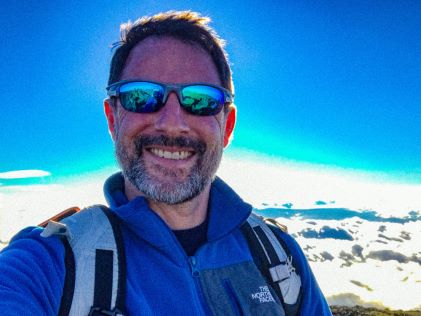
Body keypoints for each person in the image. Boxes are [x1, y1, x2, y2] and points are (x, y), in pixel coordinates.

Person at [0, 11, 331, 315]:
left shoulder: (281, 260)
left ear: (226, 127)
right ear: (113, 119)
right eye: (142, 96)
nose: (172, 122)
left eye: (200, 100)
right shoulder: (49, 264)